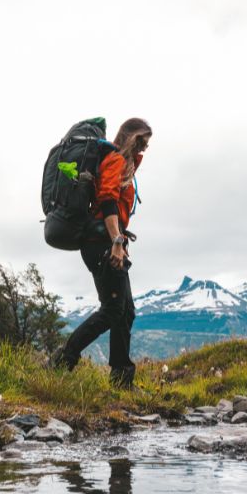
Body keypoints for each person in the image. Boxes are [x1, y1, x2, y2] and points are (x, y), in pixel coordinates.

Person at [54, 117, 152, 388]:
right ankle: (62, 360)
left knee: (126, 311)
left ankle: (122, 380)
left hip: (108, 241)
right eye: (143, 141)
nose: (145, 148)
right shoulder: (115, 161)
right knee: (112, 310)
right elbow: (107, 200)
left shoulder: (124, 165)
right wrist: (117, 242)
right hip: (103, 243)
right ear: (132, 138)